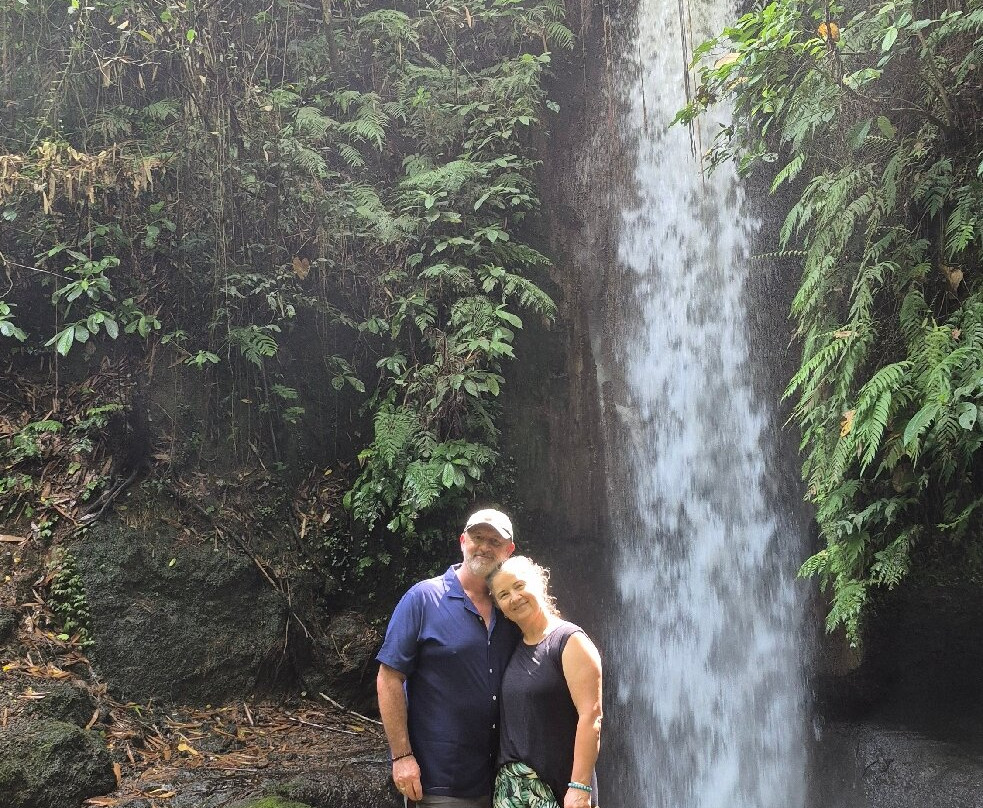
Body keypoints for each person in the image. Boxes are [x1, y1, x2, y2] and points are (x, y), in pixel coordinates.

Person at [376, 508, 520, 807]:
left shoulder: (511, 608)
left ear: (508, 551)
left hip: (502, 779)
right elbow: (389, 678)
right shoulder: (424, 598)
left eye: (494, 541)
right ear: (462, 541)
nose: (484, 546)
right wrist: (401, 756)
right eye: (477, 537)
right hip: (440, 779)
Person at [487, 556, 603, 808]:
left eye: (519, 586)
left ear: (540, 583)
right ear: (499, 606)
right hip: (512, 792)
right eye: (504, 594)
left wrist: (580, 787)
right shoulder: (512, 648)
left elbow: (591, 716)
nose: (514, 598)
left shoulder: (569, 641)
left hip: (560, 788)